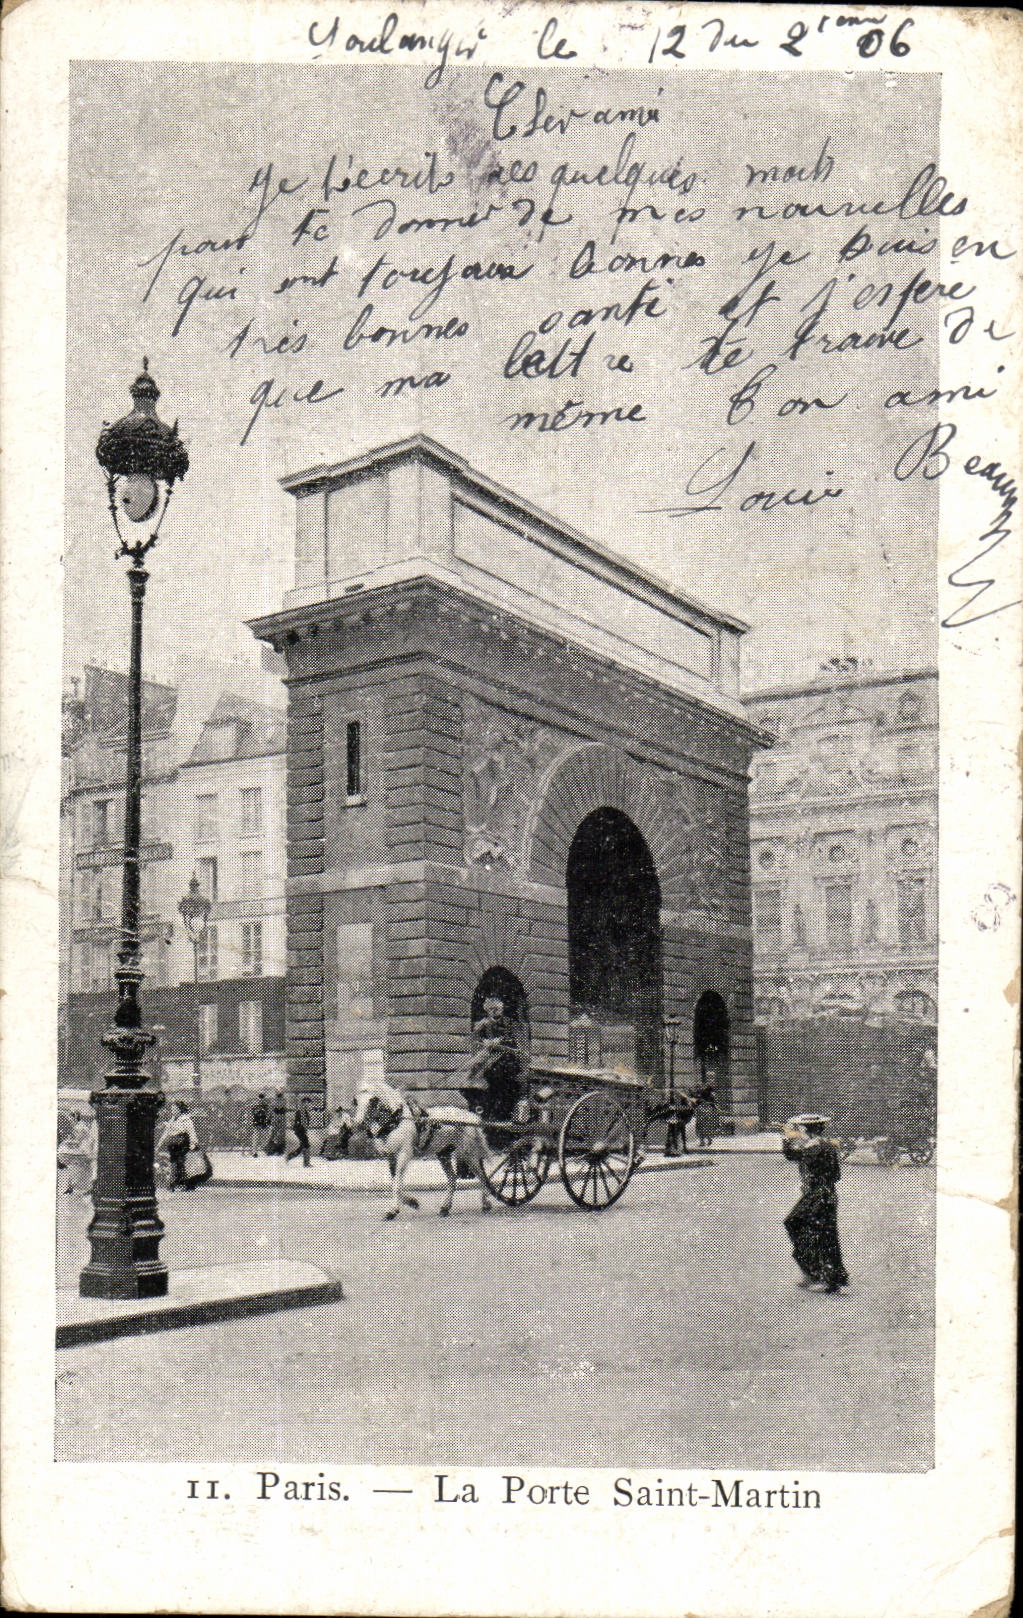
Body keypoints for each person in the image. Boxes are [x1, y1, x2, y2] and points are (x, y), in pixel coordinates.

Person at [782, 1114, 849, 1293]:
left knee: (812, 1231)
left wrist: (787, 1140)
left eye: (800, 1130)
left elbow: (796, 1155)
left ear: (806, 1131)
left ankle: (819, 1275)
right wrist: (786, 1139)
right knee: (820, 1232)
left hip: (819, 1195)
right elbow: (836, 1175)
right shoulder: (822, 1146)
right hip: (823, 1194)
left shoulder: (815, 1148)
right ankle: (822, 1275)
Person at [461, 995, 522, 1121]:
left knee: (502, 1083)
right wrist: (484, 1041)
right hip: (487, 1056)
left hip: (505, 1059)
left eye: (497, 1009)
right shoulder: (483, 1024)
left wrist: (499, 1041)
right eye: (491, 1009)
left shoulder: (508, 1023)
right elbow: (474, 1038)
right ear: (487, 1010)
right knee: (476, 1071)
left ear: (501, 1009)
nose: (494, 1012)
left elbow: (513, 1041)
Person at [158, 1100, 199, 1191]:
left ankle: (186, 1184)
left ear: (180, 1109)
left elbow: (191, 1132)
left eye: (175, 1109)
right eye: (172, 1109)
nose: (173, 1111)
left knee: (181, 1163)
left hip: (183, 1143)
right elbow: (166, 1133)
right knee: (174, 1163)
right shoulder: (172, 1120)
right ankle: (173, 1184)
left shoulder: (186, 1120)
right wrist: (159, 1144)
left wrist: (193, 1144)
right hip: (173, 1144)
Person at [58, 1109, 98, 1196]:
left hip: (86, 1150)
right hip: (84, 1150)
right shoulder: (79, 1126)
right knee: (73, 1168)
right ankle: (72, 1186)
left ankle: (80, 1187)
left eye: (72, 1117)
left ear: (75, 1118)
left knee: (81, 1169)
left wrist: (71, 1142)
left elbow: (79, 1140)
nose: (71, 1119)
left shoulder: (80, 1127)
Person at [286, 1095, 313, 1167]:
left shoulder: (305, 1111)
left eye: (308, 1103)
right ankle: (306, 1163)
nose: (307, 1104)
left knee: (302, 1147)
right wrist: (300, 1129)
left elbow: (306, 1123)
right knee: (306, 1145)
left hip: (302, 1131)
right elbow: (297, 1122)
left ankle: (288, 1157)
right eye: (305, 1103)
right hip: (300, 1131)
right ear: (302, 1103)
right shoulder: (300, 1111)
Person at [694, 1082, 719, 1148]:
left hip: (704, 1113)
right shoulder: (704, 1095)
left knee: (703, 1127)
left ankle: (705, 1140)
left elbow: (713, 1103)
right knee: (704, 1127)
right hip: (704, 1113)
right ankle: (705, 1140)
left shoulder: (708, 1095)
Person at [266, 1088, 288, 1155]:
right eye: (277, 1092)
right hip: (275, 1117)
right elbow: (270, 1109)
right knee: (273, 1133)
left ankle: (280, 1150)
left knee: (281, 1134)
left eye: (280, 1092)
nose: (279, 1093)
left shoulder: (284, 1100)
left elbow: (286, 1109)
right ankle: (270, 1150)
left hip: (282, 1118)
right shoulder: (273, 1100)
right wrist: (268, 1118)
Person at [250, 1092, 271, 1156]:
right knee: (256, 1137)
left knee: (264, 1137)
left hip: (263, 1122)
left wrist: (267, 1121)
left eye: (262, 1098)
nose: (261, 1100)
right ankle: (254, 1152)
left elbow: (268, 1114)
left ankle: (265, 1150)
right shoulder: (255, 1105)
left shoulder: (265, 1105)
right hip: (257, 1122)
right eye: (260, 1098)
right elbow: (254, 1113)